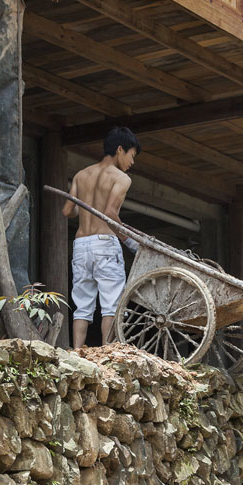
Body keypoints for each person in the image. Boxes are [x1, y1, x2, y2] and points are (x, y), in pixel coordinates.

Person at [62, 126, 141, 349]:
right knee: (111, 304)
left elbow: (67, 211)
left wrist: (85, 209)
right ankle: (107, 351)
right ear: (120, 149)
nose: (132, 162)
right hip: (105, 244)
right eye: (132, 155)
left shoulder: (81, 175)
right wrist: (129, 240)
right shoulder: (121, 178)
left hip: (81, 245)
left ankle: (77, 350)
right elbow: (110, 214)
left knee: (82, 305)